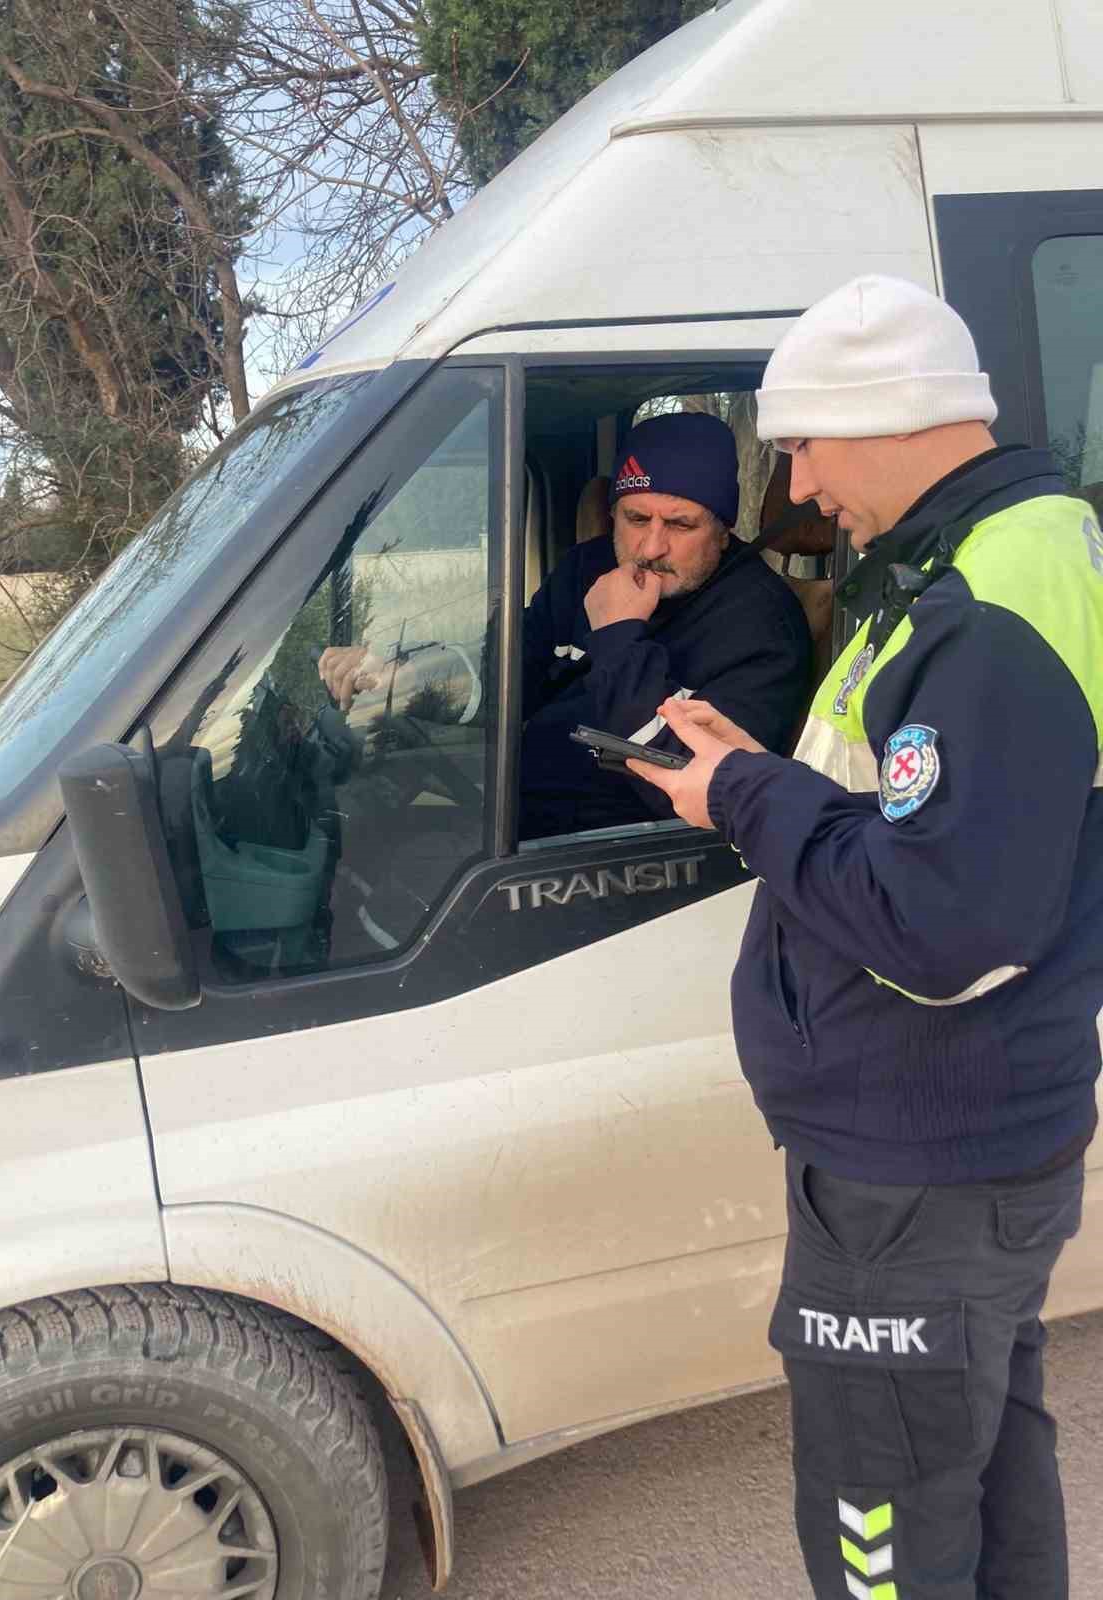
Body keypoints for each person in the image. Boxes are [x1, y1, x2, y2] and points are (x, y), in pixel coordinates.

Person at [631, 275, 1103, 1600]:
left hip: (918, 1166)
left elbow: (940, 926)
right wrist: (757, 775)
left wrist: (738, 793)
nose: (795, 484)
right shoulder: (973, 564)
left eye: (802, 445)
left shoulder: (986, 605)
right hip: (952, 1142)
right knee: (985, 1466)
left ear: (883, 416)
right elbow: (910, 822)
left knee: (879, 1526)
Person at [322, 410, 812, 840]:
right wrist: (402, 673)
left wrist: (619, 636)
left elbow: (695, 783)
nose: (650, 548)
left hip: (621, 855)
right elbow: (508, 667)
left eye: (680, 525)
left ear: (723, 532)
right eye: (636, 519)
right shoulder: (590, 567)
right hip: (519, 813)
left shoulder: (763, 627)